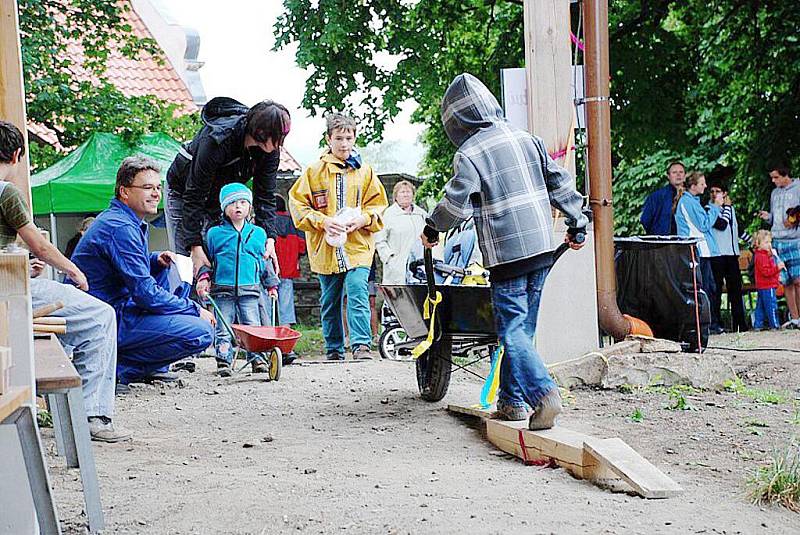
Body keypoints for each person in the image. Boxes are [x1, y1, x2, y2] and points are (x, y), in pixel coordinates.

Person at [421, 74, 588, 430]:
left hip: (507, 254)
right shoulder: (526, 138)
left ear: (456, 120)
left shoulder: (469, 153)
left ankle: (544, 394)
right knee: (522, 330)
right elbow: (560, 182)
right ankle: (511, 403)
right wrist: (577, 223)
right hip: (542, 247)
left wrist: (433, 227)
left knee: (510, 329)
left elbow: (456, 204)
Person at [0, 120, 128, 442]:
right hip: (7, 294)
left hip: (8, 280)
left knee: (71, 324)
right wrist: (73, 270)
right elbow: (40, 245)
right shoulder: (6, 192)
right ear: (16, 155)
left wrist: (19, 266)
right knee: (100, 316)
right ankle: (91, 415)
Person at [70, 156, 215, 388]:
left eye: (158, 187)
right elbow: (145, 294)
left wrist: (154, 260)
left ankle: (142, 367)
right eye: (147, 187)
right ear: (124, 192)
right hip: (103, 318)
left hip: (112, 309)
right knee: (201, 332)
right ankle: (116, 369)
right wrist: (195, 308)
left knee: (161, 271)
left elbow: (123, 267)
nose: (156, 193)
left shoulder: (125, 220)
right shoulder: (121, 227)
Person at [289, 113, 388, 361]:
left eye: (349, 137)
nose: (344, 143)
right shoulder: (313, 171)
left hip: (358, 246)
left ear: (355, 138)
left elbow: (378, 205)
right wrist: (323, 222)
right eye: (339, 138)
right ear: (328, 139)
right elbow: (299, 206)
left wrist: (364, 219)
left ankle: (361, 345)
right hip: (326, 248)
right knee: (330, 299)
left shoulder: (365, 172)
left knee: (357, 290)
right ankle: (333, 347)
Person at [165, 97, 291, 277]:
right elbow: (194, 194)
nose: (280, 143)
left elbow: (265, 195)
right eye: (277, 137)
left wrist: (269, 237)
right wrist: (194, 245)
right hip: (183, 191)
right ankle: (187, 301)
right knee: (190, 263)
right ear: (261, 132)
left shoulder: (270, 152)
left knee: (223, 257)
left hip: (219, 199)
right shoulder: (217, 140)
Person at [197, 183, 278, 376]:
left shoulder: (258, 233)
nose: (238, 207)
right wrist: (204, 277)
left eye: (243, 202)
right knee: (224, 326)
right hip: (222, 289)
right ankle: (223, 361)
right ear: (224, 208)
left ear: (250, 206)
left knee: (252, 326)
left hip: (249, 288)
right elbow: (207, 259)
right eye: (233, 203)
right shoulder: (214, 234)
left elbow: (264, 261)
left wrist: (271, 285)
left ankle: (257, 359)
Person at [674, 171, 724, 333]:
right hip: (697, 251)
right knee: (705, 289)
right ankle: (707, 325)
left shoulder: (691, 201)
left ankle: (710, 324)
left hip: (701, 251)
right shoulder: (688, 202)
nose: (705, 186)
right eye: (702, 183)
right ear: (693, 186)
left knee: (710, 288)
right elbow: (703, 225)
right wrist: (715, 208)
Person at [758, 165, 800, 329]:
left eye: (776, 177)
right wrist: (768, 217)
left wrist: (793, 220)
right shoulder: (774, 193)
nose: (773, 181)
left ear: (785, 175)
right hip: (777, 240)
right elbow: (775, 217)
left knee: (798, 281)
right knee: (787, 282)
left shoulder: (798, 187)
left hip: (795, 240)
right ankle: (795, 319)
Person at [709, 184, 750, 332]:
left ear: (725, 193)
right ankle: (716, 323)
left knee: (736, 290)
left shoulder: (730, 210)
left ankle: (740, 324)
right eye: (712, 191)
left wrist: (752, 242)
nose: (714, 194)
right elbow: (721, 225)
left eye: (718, 191)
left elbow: (737, 229)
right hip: (718, 255)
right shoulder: (710, 210)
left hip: (732, 255)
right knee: (717, 291)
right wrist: (726, 206)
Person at [375, 180, 428, 285]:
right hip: (397, 265)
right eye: (402, 192)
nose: (406, 195)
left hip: (419, 266)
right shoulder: (388, 214)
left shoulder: (422, 214)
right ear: (396, 196)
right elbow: (379, 240)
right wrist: (389, 258)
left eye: (408, 192)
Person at [274, 194, 305, 363]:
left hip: (270, 272)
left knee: (267, 305)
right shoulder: (294, 223)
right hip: (288, 270)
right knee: (286, 305)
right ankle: (286, 341)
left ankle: (270, 338)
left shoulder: (265, 222)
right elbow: (302, 247)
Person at [640, 160, 686, 235]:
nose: (678, 175)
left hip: (685, 241)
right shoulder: (657, 196)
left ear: (685, 176)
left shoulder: (690, 196)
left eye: (681, 172)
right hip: (662, 242)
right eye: (674, 172)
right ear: (668, 176)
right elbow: (645, 220)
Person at [752, 231, 784, 330]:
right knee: (771, 306)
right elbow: (766, 272)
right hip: (767, 285)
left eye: (770, 242)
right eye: (766, 242)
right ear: (758, 244)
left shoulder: (764, 255)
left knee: (760, 307)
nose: (769, 244)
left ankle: (758, 325)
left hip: (763, 285)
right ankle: (774, 325)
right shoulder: (761, 256)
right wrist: (777, 268)